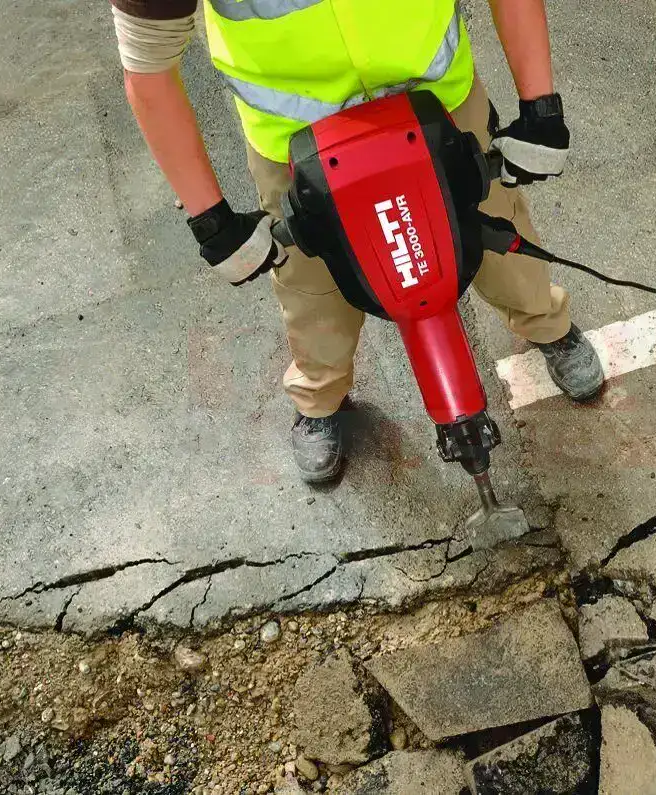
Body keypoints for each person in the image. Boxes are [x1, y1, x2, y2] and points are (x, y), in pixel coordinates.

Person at [112, 0, 603, 483]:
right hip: (296, 140)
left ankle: (547, 325)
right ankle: (319, 398)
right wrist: (212, 221)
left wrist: (541, 108)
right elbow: (147, 66)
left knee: (499, 236)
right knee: (313, 288)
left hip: (441, 100)